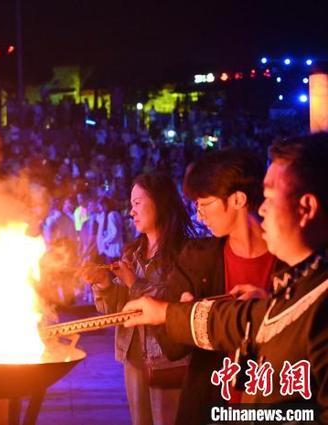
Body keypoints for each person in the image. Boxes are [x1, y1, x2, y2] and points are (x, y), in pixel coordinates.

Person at [123, 133, 328, 422]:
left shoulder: (310, 288)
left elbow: (254, 321)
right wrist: (168, 312)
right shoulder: (199, 258)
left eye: (269, 197)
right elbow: (230, 322)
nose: (264, 208)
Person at [160, 149, 281, 424]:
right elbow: (170, 345)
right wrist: (187, 315)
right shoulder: (196, 258)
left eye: (205, 203)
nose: (199, 215)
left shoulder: (291, 259)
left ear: (238, 199)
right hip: (212, 404)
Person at [86, 173, 196, 425]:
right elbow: (117, 310)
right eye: (131, 204)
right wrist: (103, 284)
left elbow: (174, 303)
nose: (131, 212)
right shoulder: (132, 253)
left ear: (159, 202)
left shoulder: (184, 252)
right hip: (133, 356)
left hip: (168, 359)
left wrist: (133, 282)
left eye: (137, 203)